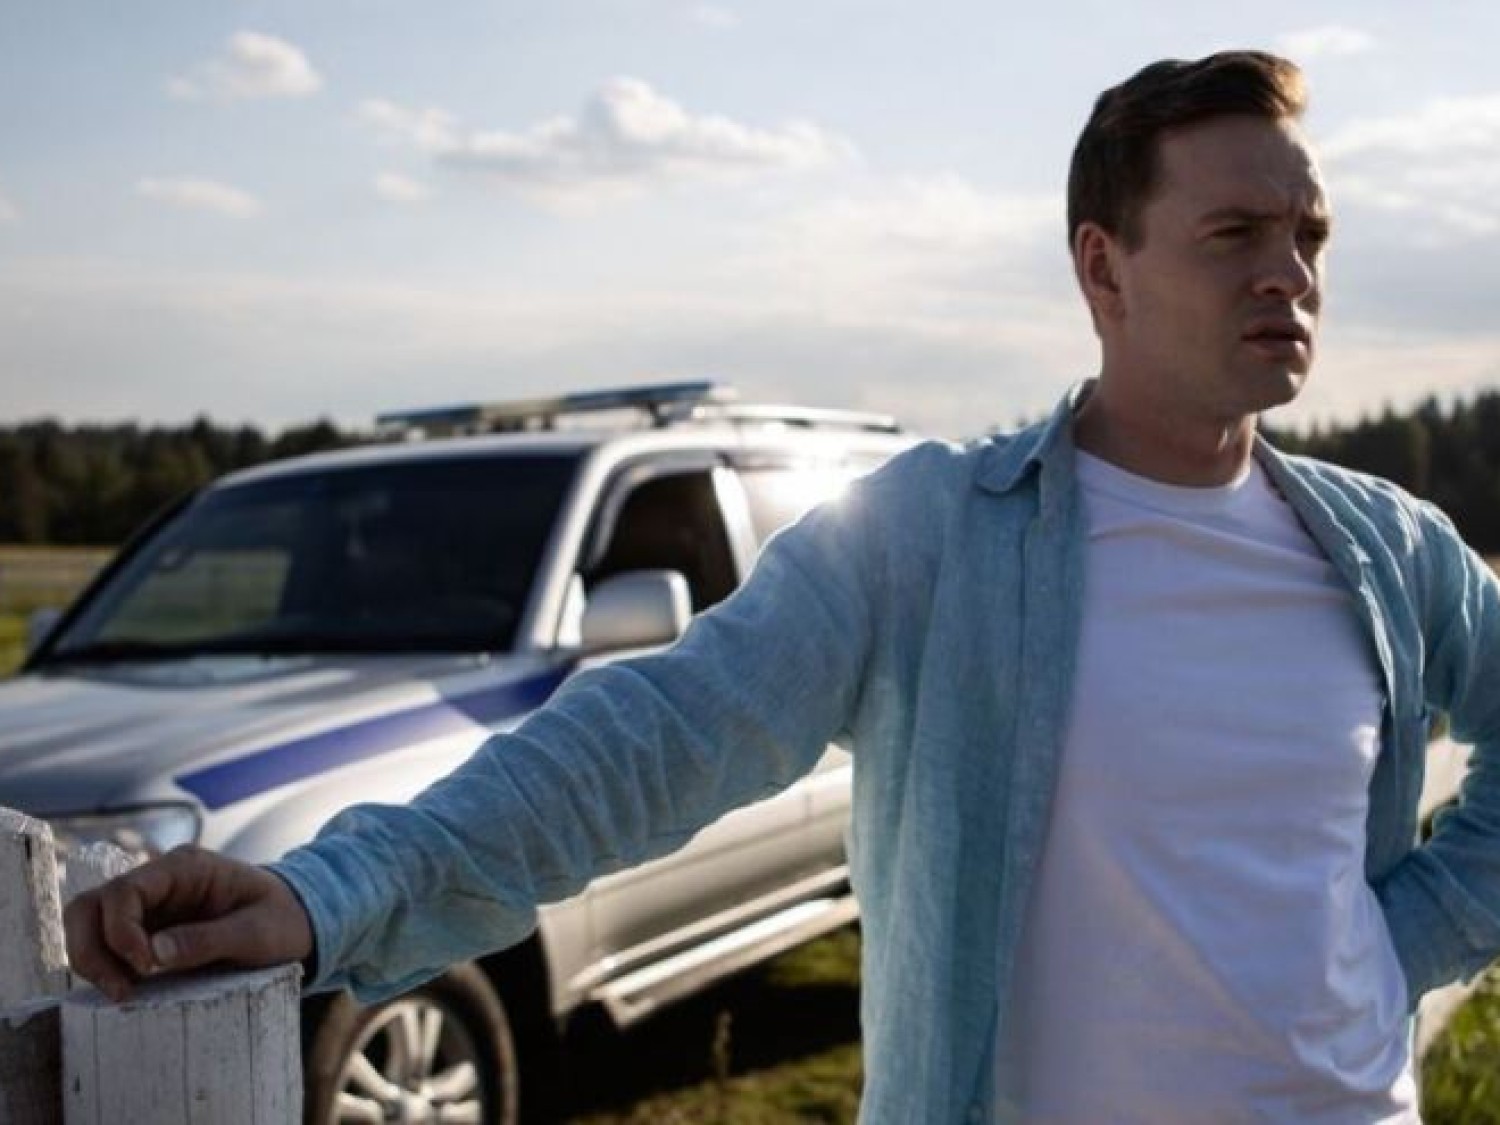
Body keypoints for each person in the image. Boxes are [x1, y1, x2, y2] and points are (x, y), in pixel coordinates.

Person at [65, 50, 1500, 1123]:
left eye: (1309, 235)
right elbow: (654, 736)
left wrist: (1405, 942)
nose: (1290, 275)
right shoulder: (937, 537)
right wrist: (333, 889)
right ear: (1102, 267)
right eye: (1236, 234)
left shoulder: (1390, 549)